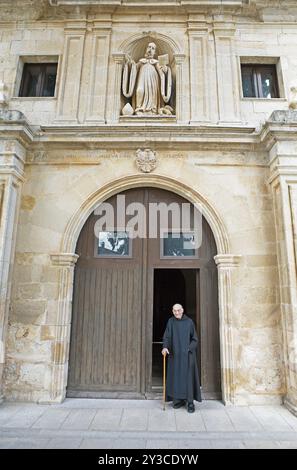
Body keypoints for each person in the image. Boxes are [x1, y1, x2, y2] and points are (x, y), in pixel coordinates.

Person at [162, 303, 202, 413]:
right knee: (177, 378)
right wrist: (165, 347)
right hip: (175, 356)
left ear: (182, 310)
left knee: (188, 379)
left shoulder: (189, 322)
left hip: (187, 356)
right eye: (174, 311)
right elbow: (166, 336)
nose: (176, 313)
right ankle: (178, 400)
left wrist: (188, 349)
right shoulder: (171, 322)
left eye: (178, 310)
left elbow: (195, 339)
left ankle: (190, 403)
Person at [122, 41, 172, 115]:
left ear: (154, 52)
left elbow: (162, 71)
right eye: (149, 47)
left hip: (153, 80)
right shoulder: (141, 61)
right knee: (139, 90)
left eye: (153, 48)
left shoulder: (155, 62)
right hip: (142, 78)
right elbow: (134, 69)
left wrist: (164, 68)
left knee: (152, 93)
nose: (150, 49)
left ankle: (152, 109)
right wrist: (130, 63)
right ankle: (139, 107)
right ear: (146, 49)